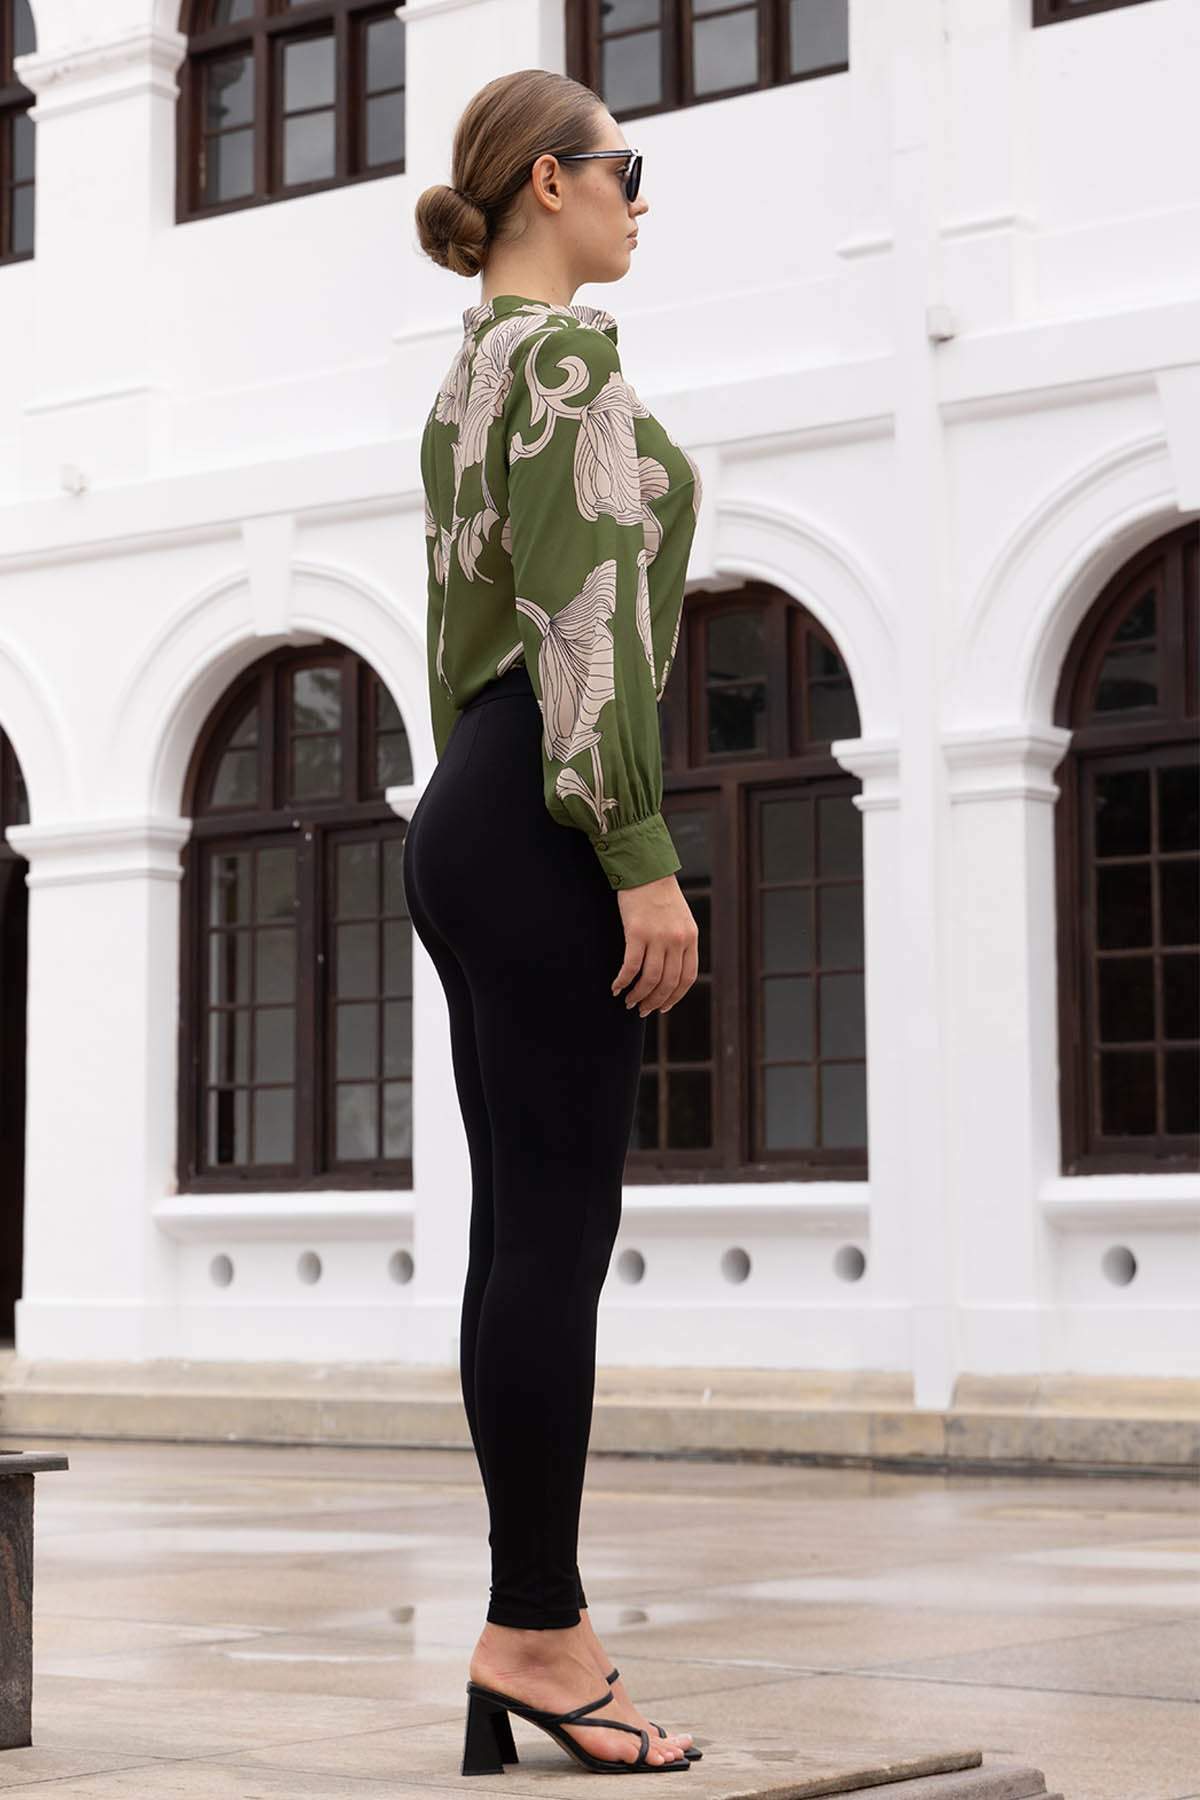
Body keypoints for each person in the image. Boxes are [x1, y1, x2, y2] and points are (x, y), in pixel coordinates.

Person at [407, 67, 704, 1776]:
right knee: (555, 1236)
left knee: (516, 1235)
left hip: (476, 799)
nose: (636, 198)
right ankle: (534, 1631)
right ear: (546, 183)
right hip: (544, 805)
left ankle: (524, 1621)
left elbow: (472, 630)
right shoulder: (569, 362)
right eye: (621, 166)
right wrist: (638, 851)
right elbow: (586, 618)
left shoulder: (466, 378)